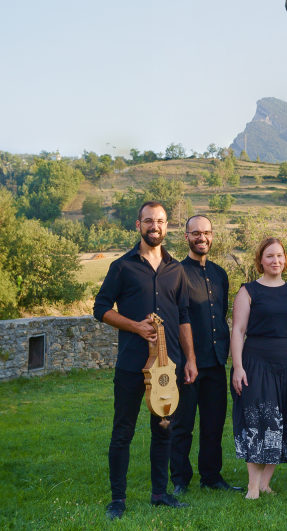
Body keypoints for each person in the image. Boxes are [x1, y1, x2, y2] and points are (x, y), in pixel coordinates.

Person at [93, 201, 198, 520]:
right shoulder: (122, 266)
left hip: (168, 365)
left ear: (167, 227)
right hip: (131, 364)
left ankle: (159, 494)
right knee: (122, 430)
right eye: (149, 221)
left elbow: (182, 315)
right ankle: (117, 499)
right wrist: (135, 325)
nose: (155, 226)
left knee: (164, 427)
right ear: (138, 225)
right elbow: (100, 308)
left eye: (161, 221)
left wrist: (190, 358)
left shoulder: (177, 269)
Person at [230, 237, 287, 499]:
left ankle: (265, 483)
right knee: (258, 423)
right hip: (256, 364)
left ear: (285, 260)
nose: (275, 261)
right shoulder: (248, 291)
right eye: (269, 256)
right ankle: (252, 486)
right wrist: (238, 367)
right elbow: (238, 330)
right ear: (260, 261)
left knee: (284, 422)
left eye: (279, 256)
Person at [170, 215, 241, 494]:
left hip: (215, 362)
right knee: (183, 424)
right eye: (196, 233)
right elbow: (175, 318)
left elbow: (221, 314)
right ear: (186, 237)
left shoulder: (220, 273)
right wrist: (188, 359)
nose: (203, 238)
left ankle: (211, 476)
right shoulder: (175, 272)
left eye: (207, 233)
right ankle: (179, 480)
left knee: (213, 425)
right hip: (188, 364)